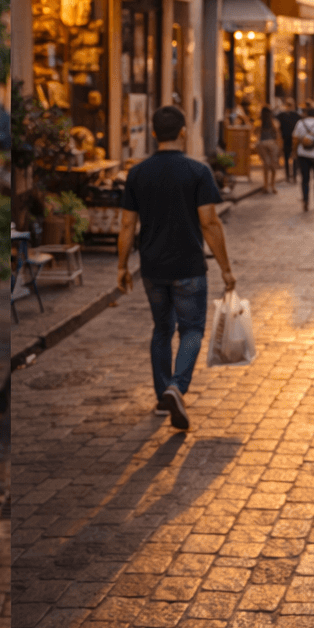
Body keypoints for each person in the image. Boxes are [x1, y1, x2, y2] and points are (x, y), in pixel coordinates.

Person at [116, 106, 235, 432]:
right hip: (189, 266)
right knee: (192, 329)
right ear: (183, 131)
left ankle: (162, 397)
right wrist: (226, 268)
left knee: (161, 329)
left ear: (154, 133)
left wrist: (122, 266)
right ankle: (177, 387)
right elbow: (209, 223)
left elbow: (127, 225)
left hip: (152, 267)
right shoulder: (197, 171)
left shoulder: (137, 173)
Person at [276, 100, 302, 182]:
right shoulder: (296, 115)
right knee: (292, 157)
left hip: (288, 138)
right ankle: (292, 176)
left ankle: (290, 176)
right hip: (292, 139)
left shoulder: (282, 115)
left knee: (289, 157)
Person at [257, 112, 281, 195]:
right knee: (273, 165)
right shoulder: (274, 122)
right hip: (272, 144)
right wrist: (279, 147)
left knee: (266, 165)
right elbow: (278, 135)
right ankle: (273, 186)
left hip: (262, 144)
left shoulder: (259, 123)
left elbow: (255, 133)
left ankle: (266, 185)